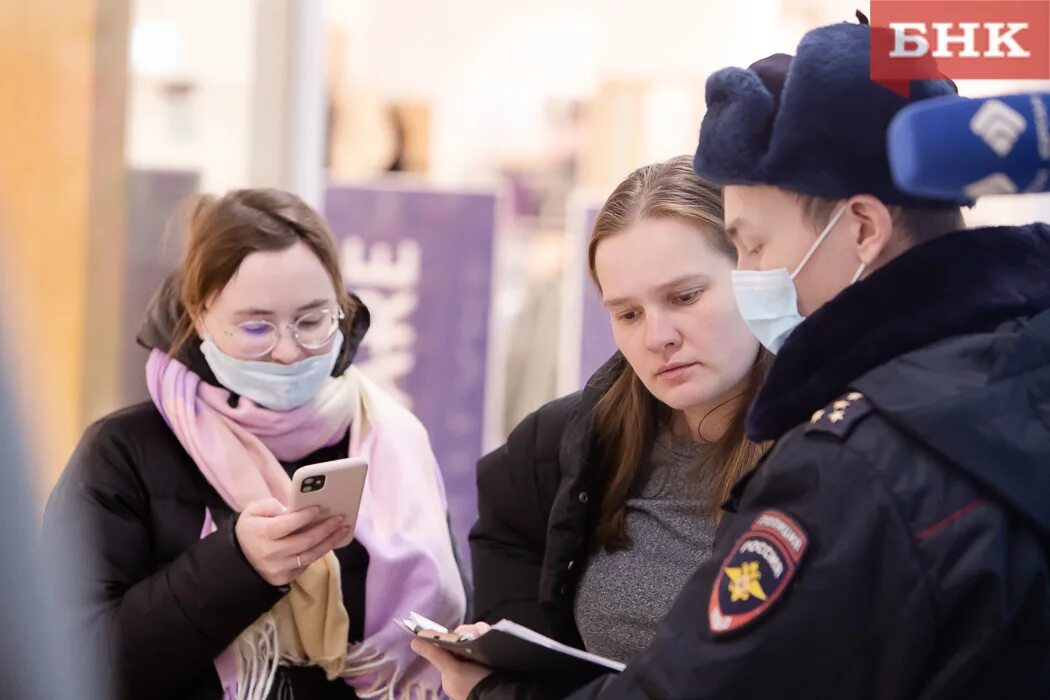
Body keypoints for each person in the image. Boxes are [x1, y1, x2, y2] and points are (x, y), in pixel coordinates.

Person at [413, 17, 1050, 699]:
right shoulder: (1014, 372)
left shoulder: (850, 465)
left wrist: (492, 694)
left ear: (863, 228)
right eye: (626, 312)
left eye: (752, 247)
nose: (752, 278)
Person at [42, 188, 467, 700]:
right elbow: (70, 661)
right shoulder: (125, 452)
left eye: (312, 321)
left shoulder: (394, 439)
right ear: (200, 317)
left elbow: (453, 620)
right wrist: (237, 566)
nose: (287, 351)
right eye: (256, 326)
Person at [469, 155, 771, 666]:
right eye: (628, 313)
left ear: (754, 271)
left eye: (685, 296)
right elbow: (520, 645)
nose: (658, 337)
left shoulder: (832, 450)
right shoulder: (563, 443)